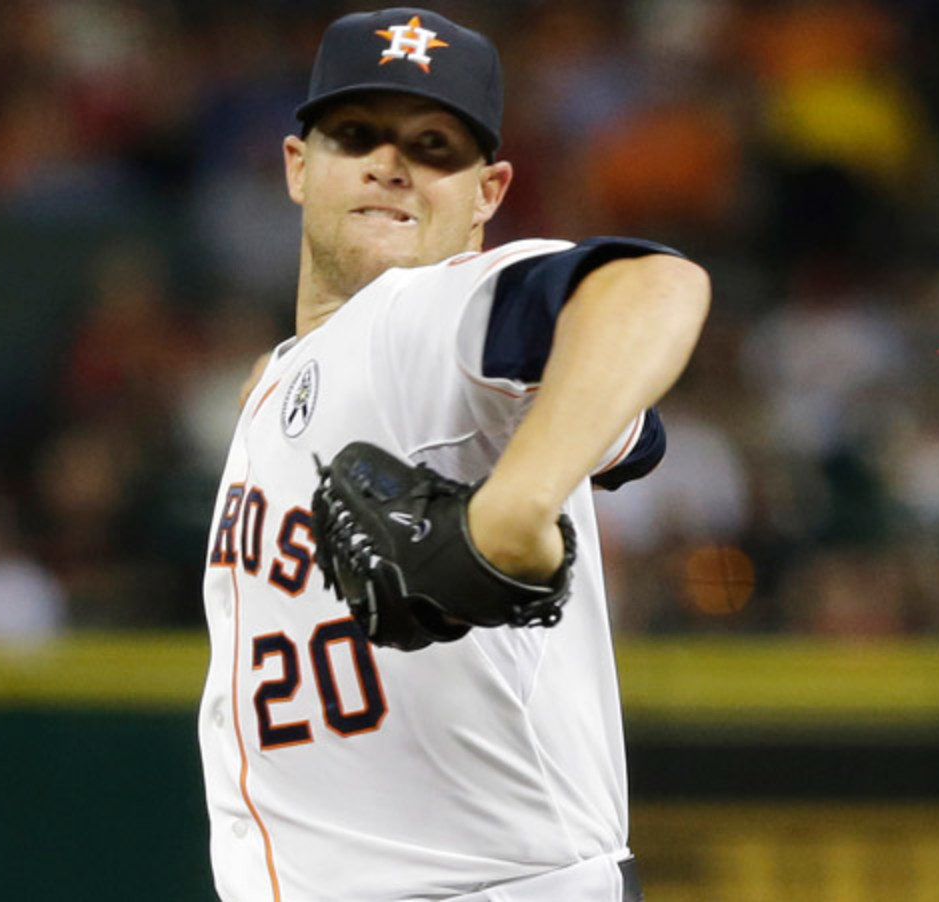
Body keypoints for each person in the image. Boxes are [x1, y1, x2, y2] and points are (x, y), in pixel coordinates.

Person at [197, 9, 710, 901]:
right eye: (356, 135)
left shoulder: (428, 315)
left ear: (488, 193)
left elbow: (651, 285)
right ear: (296, 166)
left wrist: (512, 508)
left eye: (435, 147)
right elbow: (637, 438)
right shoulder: (294, 376)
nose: (391, 164)